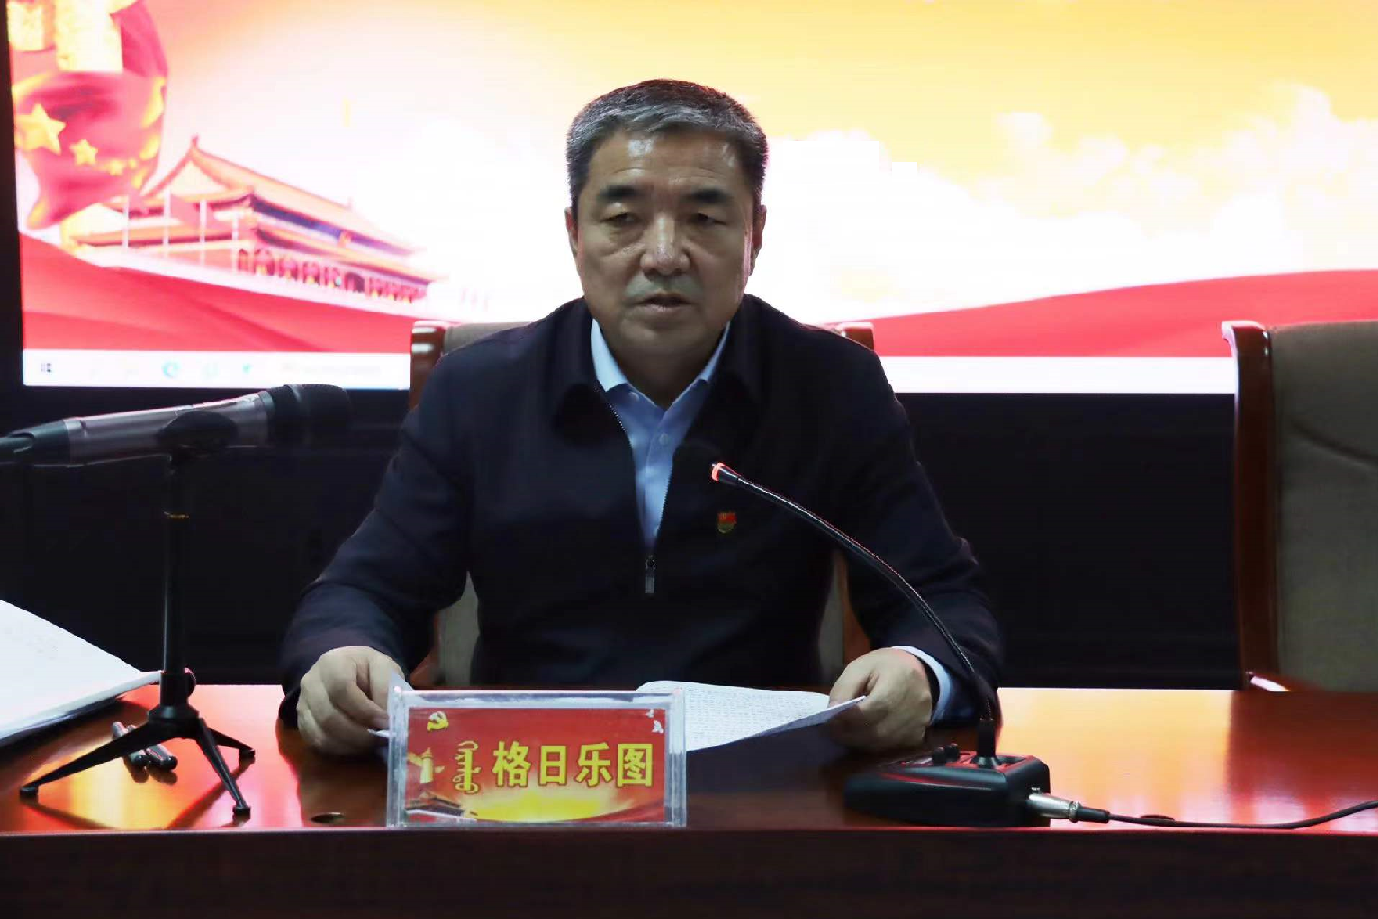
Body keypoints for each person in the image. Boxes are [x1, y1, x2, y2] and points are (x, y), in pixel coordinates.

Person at [279, 79, 1001, 756]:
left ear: (755, 233)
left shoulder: (829, 387)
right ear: (575, 232)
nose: (662, 255)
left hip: (757, 780)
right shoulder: (481, 391)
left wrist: (921, 668)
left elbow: (940, 600)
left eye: (704, 219)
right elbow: (366, 590)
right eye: (624, 219)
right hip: (527, 779)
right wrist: (342, 655)